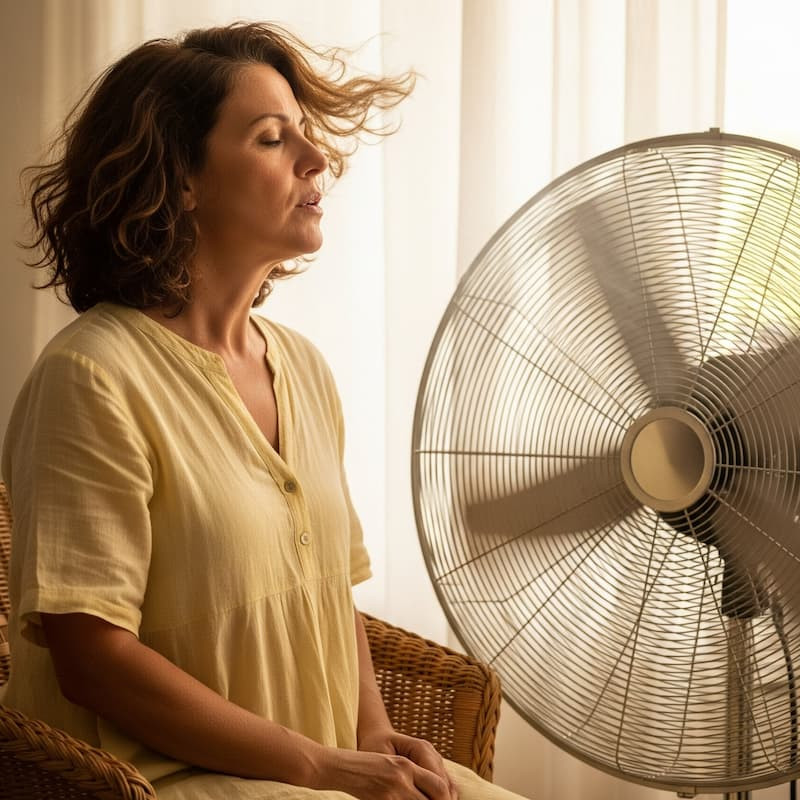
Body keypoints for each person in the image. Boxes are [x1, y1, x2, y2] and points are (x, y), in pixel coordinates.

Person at [1, 21, 531, 800]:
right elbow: (92, 658)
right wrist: (318, 765)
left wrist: (372, 735)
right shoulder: (91, 375)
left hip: (320, 769)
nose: (317, 161)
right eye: (272, 139)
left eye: (305, 137)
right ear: (180, 179)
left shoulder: (304, 368)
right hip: (160, 777)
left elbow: (330, 595)